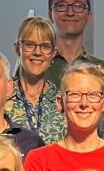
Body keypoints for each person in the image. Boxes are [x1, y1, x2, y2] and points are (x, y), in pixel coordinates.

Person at [7, 17, 66, 145]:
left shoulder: (62, 101)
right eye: (29, 45)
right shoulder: (2, 95)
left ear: (53, 53)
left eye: (45, 46)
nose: (37, 52)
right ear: (17, 49)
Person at [45, 0, 104, 85]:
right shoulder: (35, 66)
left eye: (78, 6)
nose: (70, 13)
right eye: (62, 5)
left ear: (89, 17)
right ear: (50, 15)